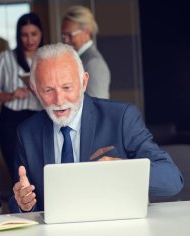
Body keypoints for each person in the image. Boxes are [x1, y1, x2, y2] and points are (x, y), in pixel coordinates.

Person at [10, 43, 183, 213]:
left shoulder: (121, 118)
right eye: (48, 90)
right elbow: (19, 199)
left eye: (67, 87)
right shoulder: (26, 132)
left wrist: (123, 170)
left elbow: (172, 180)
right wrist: (25, 205)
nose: (59, 100)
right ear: (34, 89)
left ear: (84, 82)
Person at [0, 13, 44, 180]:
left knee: (40, 169)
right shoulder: (6, 58)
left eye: (34, 34)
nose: (30, 40)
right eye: (24, 35)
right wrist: (12, 94)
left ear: (41, 34)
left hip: (40, 118)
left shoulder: (48, 57)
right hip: (12, 120)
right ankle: (20, 205)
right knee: (18, 171)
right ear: (18, 36)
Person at [61, 5, 111, 99]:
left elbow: (96, 105)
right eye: (64, 35)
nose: (66, 40)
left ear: (87, 32)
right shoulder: (77, 59)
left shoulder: (94, 63)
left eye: (70, 35)